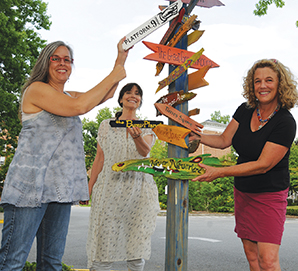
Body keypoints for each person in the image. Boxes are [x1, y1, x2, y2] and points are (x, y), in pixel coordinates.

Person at [0, 37, 129, 271]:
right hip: (28, 189)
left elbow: (106, 95)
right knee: (12, 263)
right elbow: (80, 108)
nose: (62, 63)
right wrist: (116, 73)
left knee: (51, 263)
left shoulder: (68, 96)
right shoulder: (36, 90)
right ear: (45, 63)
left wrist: (121, 55)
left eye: (67, 60)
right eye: (56, 58)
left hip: (59, 190)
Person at [190, 59, 297, 271]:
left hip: (269, 195)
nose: (262, 86)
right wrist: (198, 137)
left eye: (269, 80)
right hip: (244, 192)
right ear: (252, 85)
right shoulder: (245, 109)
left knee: (268, 261)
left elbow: (263, 165)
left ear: (280, 84)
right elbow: (223, 141)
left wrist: (219, 172)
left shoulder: (285, 122)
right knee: (252, 257)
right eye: (257, 81)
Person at [85, 83, 160, 271]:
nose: (133, 96)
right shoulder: (106, 125)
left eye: (138, 94)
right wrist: (89, 187)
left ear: (141, 101)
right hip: (109, 189)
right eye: (129, 92)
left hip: (139, 190)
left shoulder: (147, 128)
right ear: (121, 99)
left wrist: (137, 137)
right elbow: (99, 159)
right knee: (105, 241)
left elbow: (145, 152)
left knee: (137, 244)